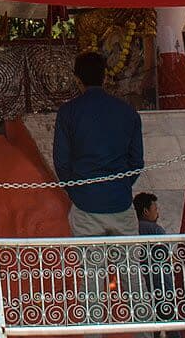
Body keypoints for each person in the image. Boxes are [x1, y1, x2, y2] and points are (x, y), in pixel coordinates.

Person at [54, 49, 145, 235]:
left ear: (77, 79)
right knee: (127, 255)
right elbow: (136, 162)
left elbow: (62, 162)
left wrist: (77, 190)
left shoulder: (67, 113)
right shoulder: (128, 112)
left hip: (85, 204)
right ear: (105, 77)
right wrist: (121, 185)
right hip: (121, 203)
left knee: (90, 256)